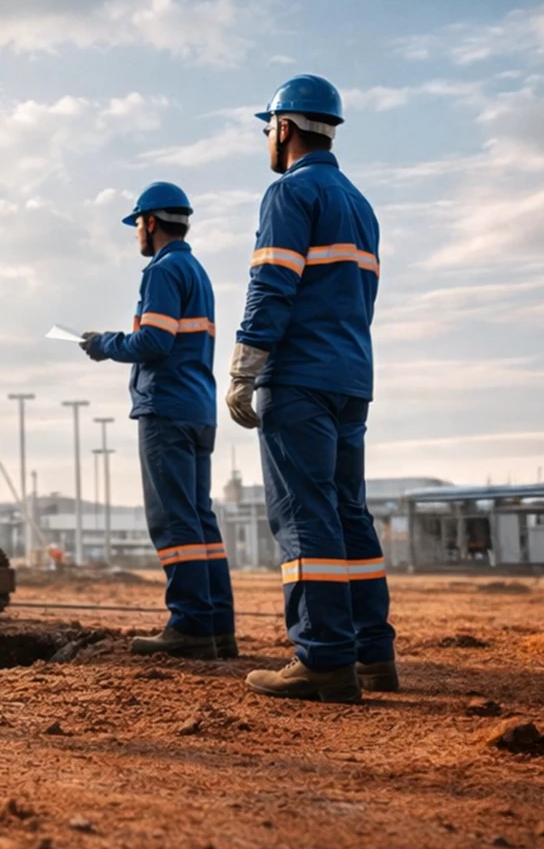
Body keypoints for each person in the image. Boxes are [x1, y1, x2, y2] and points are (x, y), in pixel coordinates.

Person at [227, 74, 396, 703]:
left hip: (298, 377)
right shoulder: (359, 203)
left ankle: (323, 657)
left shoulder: (288, 193)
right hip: (351, 377)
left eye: (268, 128)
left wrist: (246, 366)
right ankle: (373, 653)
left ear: (285, 128)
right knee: (349, 512)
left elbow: (272, 283)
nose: (269, 139)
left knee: (305, 514)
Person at [80, 182, 236, 659]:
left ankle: (189, 624)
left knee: (172, 519)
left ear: (149, 223)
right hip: (198, 409)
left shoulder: (163, 271)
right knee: (199, 518)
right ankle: (217, 628)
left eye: (137, 227)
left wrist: (105, 344)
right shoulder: (198, 272)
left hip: (166, 407)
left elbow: (154, 342)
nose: (136, 236)